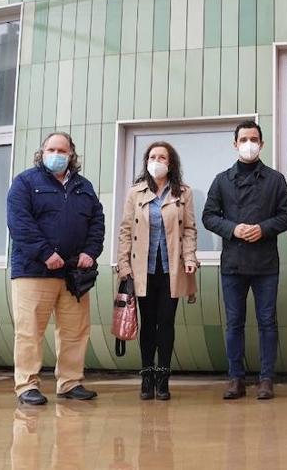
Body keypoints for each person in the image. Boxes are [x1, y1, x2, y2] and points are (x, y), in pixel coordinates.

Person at [6, 131, 106, 405]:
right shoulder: (25, 182)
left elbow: (97, 222)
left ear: (72, 154)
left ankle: (70, 383)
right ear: (42, 152)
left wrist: (90, 252)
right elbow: (19, 223)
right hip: (33, 271)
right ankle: (27, 386)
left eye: (62, 151)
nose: (57, 155)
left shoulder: (84, 186)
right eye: (52, 149)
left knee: (75, 331)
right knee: (29, 332)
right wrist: (45, 253)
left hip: (74, 274)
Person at [201, 120, 287, 400]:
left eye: (254, 139)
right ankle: (235, 378)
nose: (249, 144)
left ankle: (266, 379)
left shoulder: (275, 179)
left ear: (262, 144)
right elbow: (208, 215)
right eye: (244, 139)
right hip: (232, 263)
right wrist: (233, 229)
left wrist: (263, 228)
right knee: (234, 322)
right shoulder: (221, 179)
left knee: (267, 321)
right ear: (235, 144)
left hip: (266, 264)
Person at [117, 141, 199, 400]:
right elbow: (125, 231)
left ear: (170, 162)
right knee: (147, 323)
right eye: (152, 156)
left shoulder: (183, 193)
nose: (157, 160)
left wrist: (190, 257)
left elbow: (189, 229)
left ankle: (163, 377)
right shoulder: (135, 193)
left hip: (171, 269)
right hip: (143, 269)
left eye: (162, 156)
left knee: (166, 323)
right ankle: (147, 376)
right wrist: (123, 265)